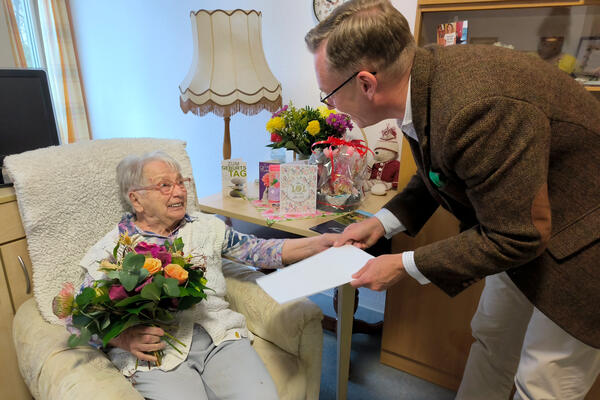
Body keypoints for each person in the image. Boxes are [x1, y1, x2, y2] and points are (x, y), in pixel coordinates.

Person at [305, 1, 600, 399]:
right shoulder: (424, 82)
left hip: (584, 240)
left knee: (542, 380)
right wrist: (381, 223)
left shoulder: (472, 106)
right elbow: (437, 172)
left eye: (329, 94)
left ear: (366, 84)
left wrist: (404, 265)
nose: (332, 106)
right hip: (520, 221)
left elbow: (517, 235)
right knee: (492, 339)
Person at [74, 151, 337, 400]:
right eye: (165, 185)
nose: (178, 191)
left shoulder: (207, 227)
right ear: (136, 200)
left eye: (181, 182)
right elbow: (78, 316)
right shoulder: (113, 249)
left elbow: (259, 250)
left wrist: (321, 244)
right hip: (157, 354)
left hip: (218, 337)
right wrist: (123, 338)